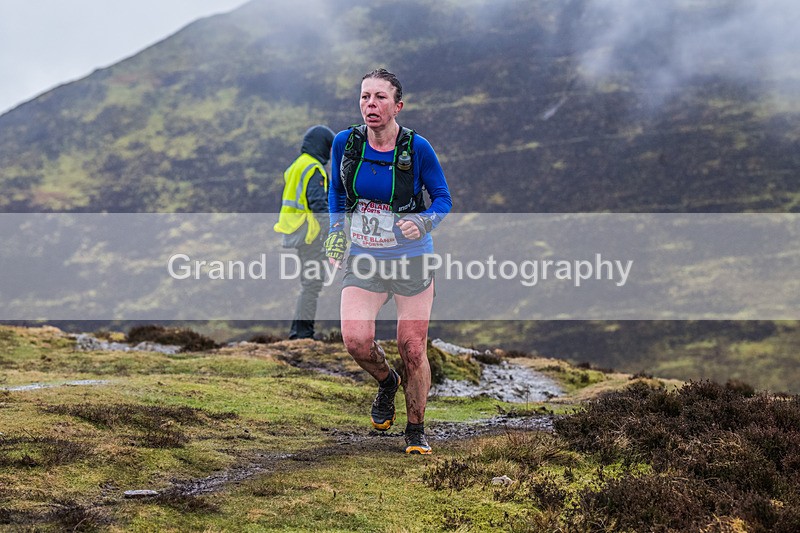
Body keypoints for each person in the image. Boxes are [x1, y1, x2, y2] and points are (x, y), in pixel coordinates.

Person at [325, 69, 452, 454]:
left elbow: (443, 199)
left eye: (380, 98)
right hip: (365, 256)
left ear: (397, 106)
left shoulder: (418, 148)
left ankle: (415, 430)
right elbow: (337, 193)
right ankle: (386, 381)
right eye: (365, 97)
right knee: (356, 341)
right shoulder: (345, 144)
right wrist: (335, 232)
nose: (370, 105)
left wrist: (423, 220)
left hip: (411, 260)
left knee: (412, 348)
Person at [274, 125, 335, 340]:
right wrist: (331, 234)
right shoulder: (313, 169)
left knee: (308, 284)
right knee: (312, 284)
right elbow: (319, 205)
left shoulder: (297, 166)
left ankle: (299, 333)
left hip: (297, 233)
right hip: (310, 235)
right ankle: (302, 335)